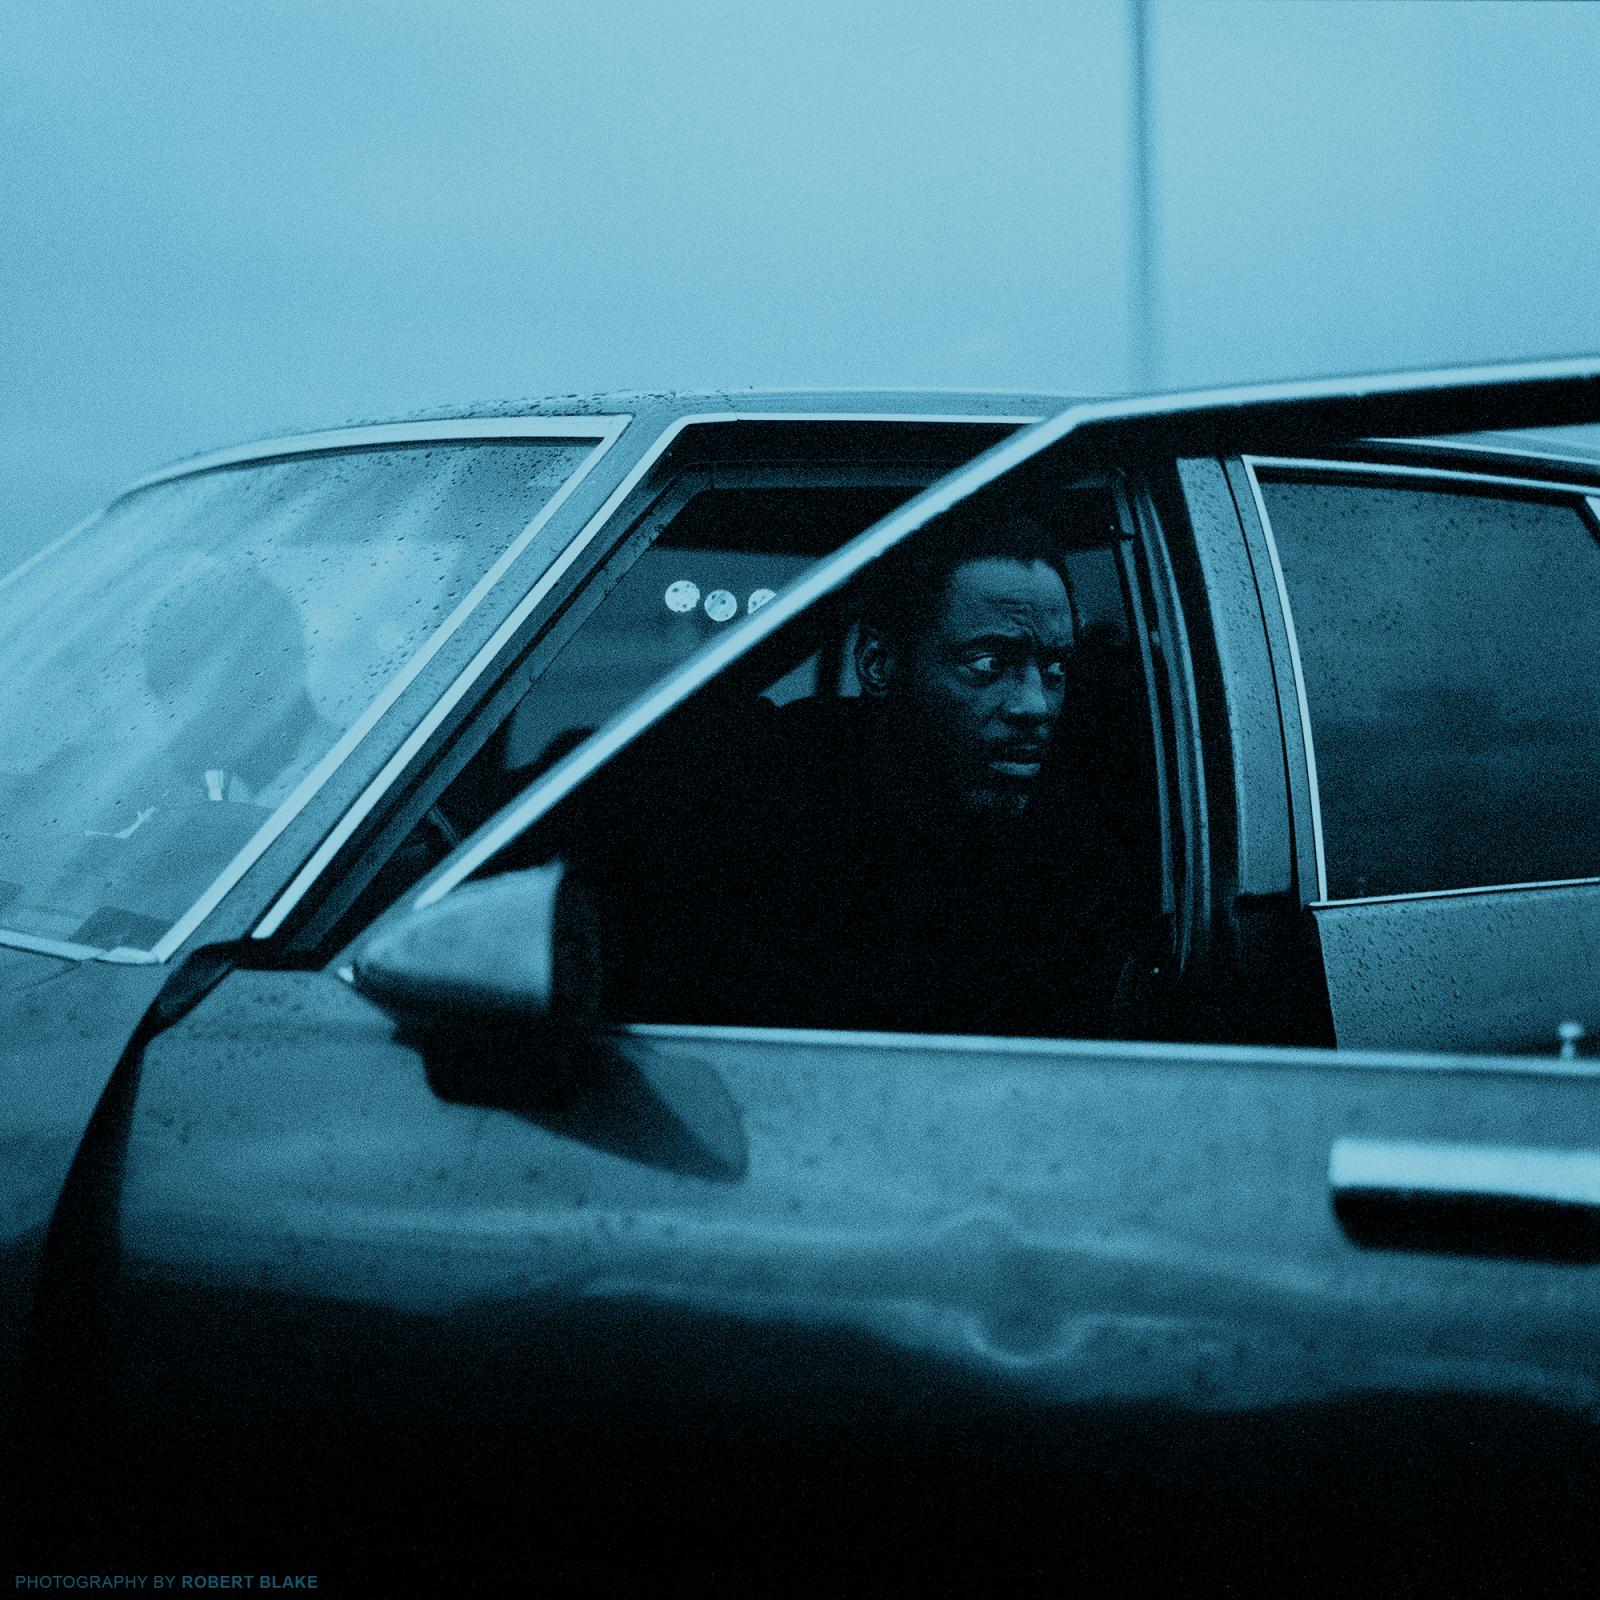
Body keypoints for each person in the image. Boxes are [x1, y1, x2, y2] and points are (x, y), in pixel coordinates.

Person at [570, 502, 1138, 1036]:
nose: (1036, 706)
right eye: (989, 663)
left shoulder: (1080, 854)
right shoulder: (752, 795)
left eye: (1056, 667)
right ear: (877, 663)